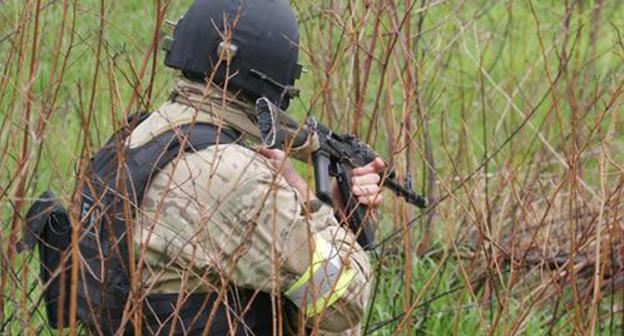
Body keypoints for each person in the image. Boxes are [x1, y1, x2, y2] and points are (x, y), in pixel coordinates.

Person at [70, 0, 385, 335]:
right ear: (277, 77)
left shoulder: (137, 137)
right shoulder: (239, 179)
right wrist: (315, 205)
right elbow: (344, 303)